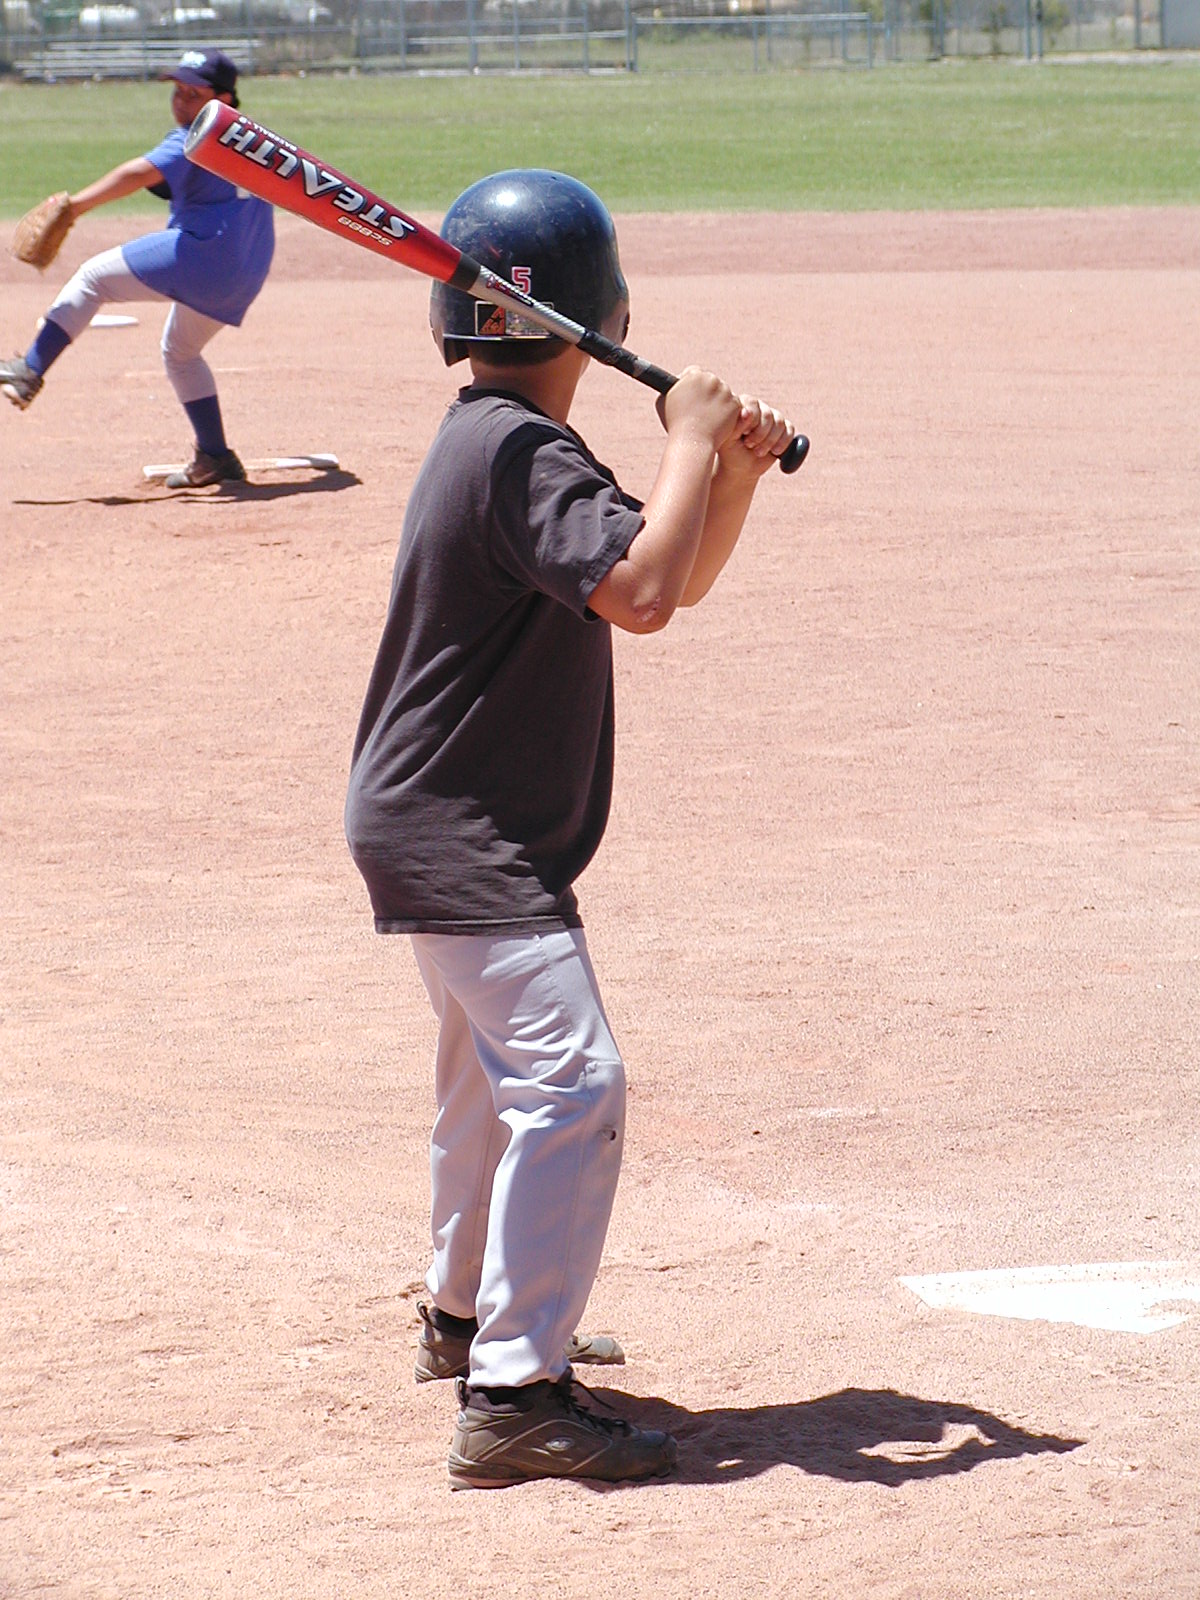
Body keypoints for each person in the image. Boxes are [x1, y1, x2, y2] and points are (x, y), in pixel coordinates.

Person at [343, 169, 794, 1489]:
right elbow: (643, 596)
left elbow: (664, 578)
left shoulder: (492, 438)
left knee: (490, 1083)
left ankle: (465, 1317)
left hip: (433, 811)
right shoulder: (522, 451)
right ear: (599, 316)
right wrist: (686, 436)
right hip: (464, 827)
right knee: (572, 1084)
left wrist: (727, 474)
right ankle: (514, 1396)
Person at [0, 48, 273, 488]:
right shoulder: (256, 138)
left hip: (203, 254)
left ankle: (29, 369)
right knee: (180, 353)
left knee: (92, 278)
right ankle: (216, 456)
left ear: (222, 99)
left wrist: (75, 207)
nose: (181, 101)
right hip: (246, 274)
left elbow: (138, 174)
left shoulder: (199, 134)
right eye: (177, 90)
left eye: (193, 93)